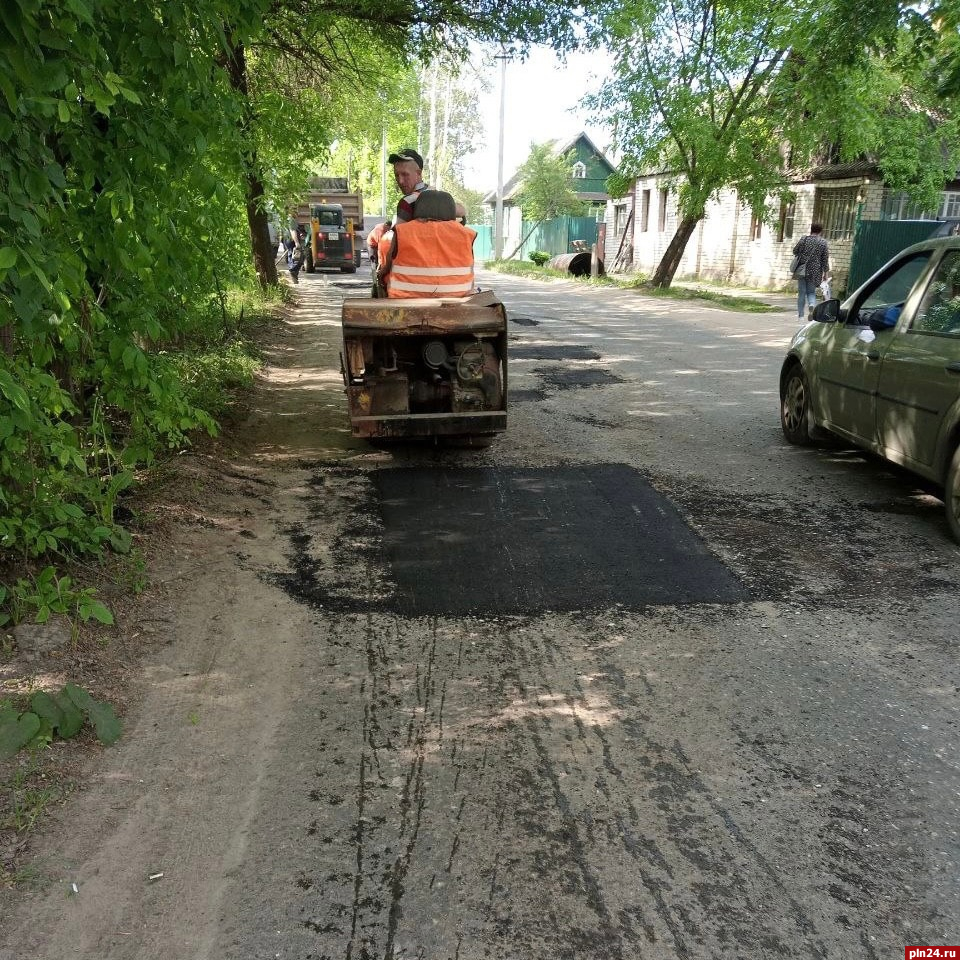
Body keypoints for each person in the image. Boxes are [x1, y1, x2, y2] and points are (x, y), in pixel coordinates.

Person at [379, 190, 477, 299]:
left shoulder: (402, 231)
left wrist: (381, 274)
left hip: (405, 299)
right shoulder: (467, 234)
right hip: (457, 299)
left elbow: (388, 264)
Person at [792, 223, 830, 319]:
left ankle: (801, 316)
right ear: (820, 231)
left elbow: (795, 251)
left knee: (802, 292)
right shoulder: (823, 242)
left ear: (811, 230)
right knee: (811, 292)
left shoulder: (804, 239)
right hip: (815, 271)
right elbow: (825, 259)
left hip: (802, 269)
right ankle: (811, 305)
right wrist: (826, 273)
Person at [388, 149, 429, 223]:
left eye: (405, 174)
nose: (400, 181)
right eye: (397, 175)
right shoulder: (443, 199)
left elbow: (399, 233)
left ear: (419, 173)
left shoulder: (407, 202)